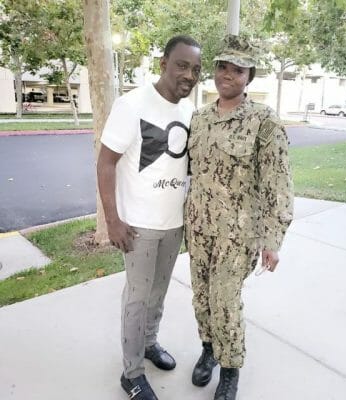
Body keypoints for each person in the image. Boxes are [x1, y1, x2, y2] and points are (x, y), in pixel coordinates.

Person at [185, 35, 294, 400]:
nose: (227, 75)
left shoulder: (264, 121)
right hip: (199, 228)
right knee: (201, 295)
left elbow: (278, 183)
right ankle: (208, 350)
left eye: (237, 70)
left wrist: (273, 240)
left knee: (225, 299)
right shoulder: (199, 118)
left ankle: (230, 369)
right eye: (222, 67)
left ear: (249, 76)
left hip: (238, 232)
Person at [97, 35, 201, 400]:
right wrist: (112, 221)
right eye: (182, 65)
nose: (189, 75)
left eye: (195, 69)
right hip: (139, 225)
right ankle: (132, 372)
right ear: (163, 63)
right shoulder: (132, 104)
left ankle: (150, 343)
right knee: (137, 298)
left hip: (173, 224)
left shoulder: (190, 112)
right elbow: (106, 163)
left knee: (158, 293)